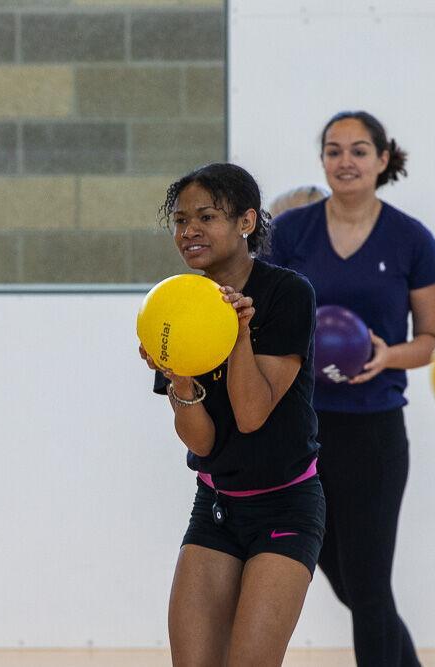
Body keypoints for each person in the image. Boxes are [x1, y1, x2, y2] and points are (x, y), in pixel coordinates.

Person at [263, 111, 435, 667]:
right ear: (322, 159)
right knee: (345, 581)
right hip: (302, 431)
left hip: (374, 431)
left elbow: (434, 338)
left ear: (382, 159)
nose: (346, 161)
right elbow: (260, 318)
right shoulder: (291, 232)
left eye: (359, 150)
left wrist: (390, 355)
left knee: (368, 589)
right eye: (335, 150)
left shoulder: (412, 238)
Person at [140, 163, 325, 667]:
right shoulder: (175, 306)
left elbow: (251, 415)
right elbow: (200, 443)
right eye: (180, 220)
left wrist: (239, 332)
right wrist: (178, 377)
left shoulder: (287, 294)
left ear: (246, 222)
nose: (189, 231)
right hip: (216, 508)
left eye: (206, 217)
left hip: (286, 508)